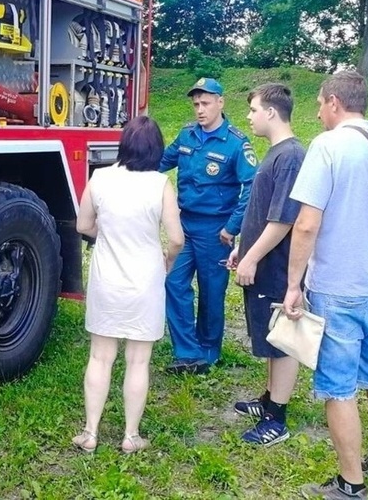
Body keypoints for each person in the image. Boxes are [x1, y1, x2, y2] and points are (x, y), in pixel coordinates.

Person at [282, 71, 368, 499]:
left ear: (336, 102)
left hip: (337, 289)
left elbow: (305, 224)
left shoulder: (328, 146)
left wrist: (292, 285)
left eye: (320, 103)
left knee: (339, 388)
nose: (318, 111)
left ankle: (350, 484)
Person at [73, 116, 184, 454]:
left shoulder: (100, 178)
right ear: (156, 149)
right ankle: (130, 436)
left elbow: (83, 224)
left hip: (107, 279)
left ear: (123, 145)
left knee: (100, 356)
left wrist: (105, 234)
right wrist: (167, 261)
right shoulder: (161, 184)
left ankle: (90, 433)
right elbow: (177, 239)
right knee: (138, 361)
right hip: (145, 280)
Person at [160, 78, 258, 374]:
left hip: (216, 231)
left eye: (205, 103)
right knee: (173, 282)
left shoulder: (235, 143)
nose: (199, 110)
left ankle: (208, 351)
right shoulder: (187, 135)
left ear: (220, 102)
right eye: (196, 104)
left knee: (212, 291)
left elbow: (251, 187)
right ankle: (187, 351)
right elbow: (161, 161)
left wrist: (232, 227)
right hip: (185, 224)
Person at [225, 83, 305, 446]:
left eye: (254, 109)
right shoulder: (276, 154)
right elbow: (260, 214)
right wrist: (242, 249)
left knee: (283, 339)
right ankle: (269, 399)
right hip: (260, 261)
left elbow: (283, 220)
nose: (249, 116)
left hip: (275, 265)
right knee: (270, 335)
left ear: (271, 112)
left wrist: (252, 257)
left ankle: (278, 419)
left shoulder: (290, 157)